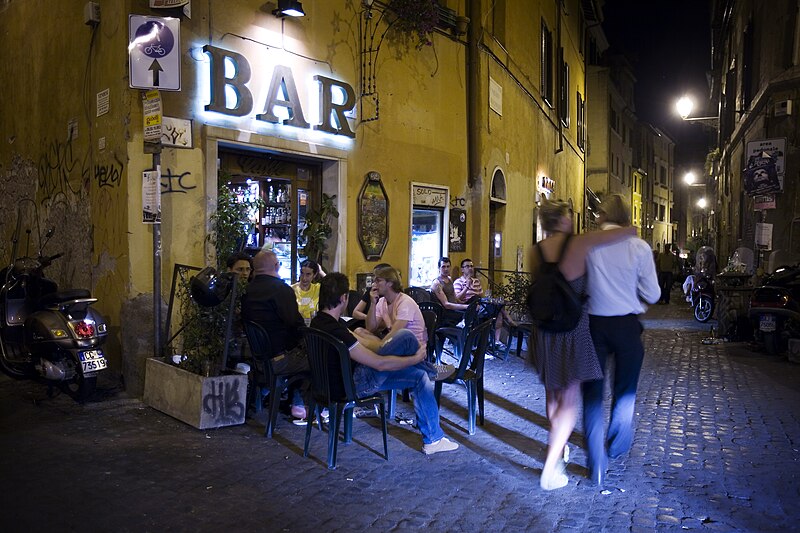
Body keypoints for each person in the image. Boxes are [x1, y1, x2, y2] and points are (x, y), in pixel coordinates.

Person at [528, 199, 637, 491]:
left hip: (543, 331)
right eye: (570, 217)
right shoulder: (577, 243)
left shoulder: (535, 251)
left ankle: (559, 446)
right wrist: (631, 228)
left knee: (552, 393)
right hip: (571, 330)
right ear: (563, 220)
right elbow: (616, 235)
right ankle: (550, 468)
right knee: (570, 398)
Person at [310, 272, 459, 454]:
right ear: (344, 298)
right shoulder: (338, 331)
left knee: (420, 377)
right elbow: (379, 364)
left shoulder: (320, 323)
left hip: (330, 384)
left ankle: (433, 440)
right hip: (353, 386)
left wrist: (382, 345)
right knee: (405, 336)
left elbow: (366, 342)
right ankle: (429, 368)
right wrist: (413, 359)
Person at [583, 195, 661, 488]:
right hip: (627, 325)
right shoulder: (638, 247)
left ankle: (596, 463)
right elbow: (653, 294)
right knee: (625, 389)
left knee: (592, 392)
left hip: (594, 324)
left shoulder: (589, 243)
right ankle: (616, 444)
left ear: (603, 216)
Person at [241, 250, 310, 422]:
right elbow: (294, 323)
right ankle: (299, 404)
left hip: (258, 358)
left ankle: (268, 391)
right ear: (276, 266)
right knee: (315, 356)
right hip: (279, 360)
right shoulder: (281, 289)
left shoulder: (247, 291)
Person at [453, 258, 518, 351]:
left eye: (471, 266)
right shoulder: (458, 282)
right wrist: (467, 286)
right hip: (467, 307)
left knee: (497, 307)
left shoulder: (476, 281)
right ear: (462, 269)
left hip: (479, 306)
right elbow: (457, 298)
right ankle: (509, 319)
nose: (470, 268)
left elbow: (482, 296)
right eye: (467, 266)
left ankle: (496, 341)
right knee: (476, 299)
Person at [350, 263, 391, 328]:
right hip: (367, 326)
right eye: (373, 276)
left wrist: (373, 320)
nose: (374, 281)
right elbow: (355, 312)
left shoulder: (389, 296)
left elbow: (389, 323)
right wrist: (369, 318)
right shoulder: (371, 291)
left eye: (378, 279)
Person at [430, 257, 468, 326]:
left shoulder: (449, 279)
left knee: (473, 310)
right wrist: (465, 307)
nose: (446, 269)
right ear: (439, 268)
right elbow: (446, 305)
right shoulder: (437, 284)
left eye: (448, 266)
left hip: (454, 308)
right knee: (468, 316)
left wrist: (466, 305)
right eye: (443, 267)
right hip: (446, 313)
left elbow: (455, 298)